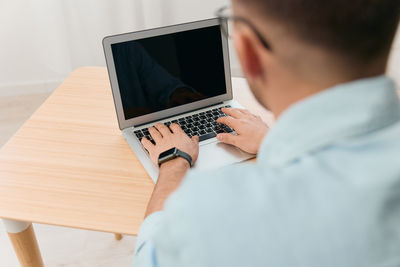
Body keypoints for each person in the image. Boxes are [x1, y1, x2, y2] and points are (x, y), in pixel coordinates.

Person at [134, 0, 400, 266]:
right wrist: (272, 141)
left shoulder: (208, 216)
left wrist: (173, 164)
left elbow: (149, 257)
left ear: (248, 53)